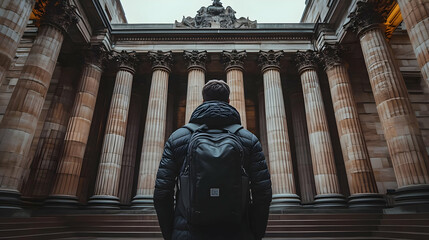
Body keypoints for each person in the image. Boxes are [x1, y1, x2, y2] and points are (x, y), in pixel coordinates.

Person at [154, 79, 272, 240]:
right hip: (237, 232)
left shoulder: (178, 138)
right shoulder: (249, 139)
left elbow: (162, 193)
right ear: (229, 101)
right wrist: (254, 233)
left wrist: (171, 233)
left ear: (203, 101)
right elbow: (263, 193)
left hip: (187, 232)